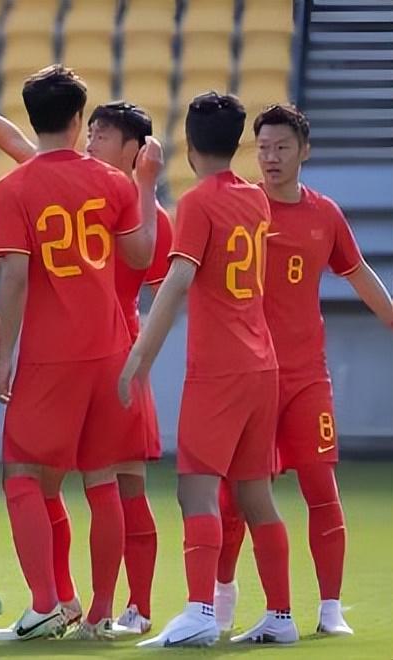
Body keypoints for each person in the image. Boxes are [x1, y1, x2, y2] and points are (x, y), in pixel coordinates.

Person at [0, 67, 171, 637]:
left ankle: (47, 601)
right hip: (113, 351)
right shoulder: (114, 184)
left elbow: (15, 277)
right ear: (77, 119)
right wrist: (145, 185)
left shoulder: (14, 188)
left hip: (52, 354)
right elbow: (141, 256)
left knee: (23, 473)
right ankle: (95, 609)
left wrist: (5, 351)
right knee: (103, 480)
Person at [119, 92, 298, 648]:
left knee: (195, 491)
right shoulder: (256, 199)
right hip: (262, 364)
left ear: (190, 147)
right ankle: (281, 615)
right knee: (254, 496)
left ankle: (199, 611)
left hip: (219, 369)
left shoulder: (198, 202)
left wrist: (139, 357)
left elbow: (178, 281)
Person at [214, 103, 393, 636]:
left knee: (321, 486)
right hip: (250, 376)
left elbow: (359, 273)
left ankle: (330, 610)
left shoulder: (325, 214)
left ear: (304, 151)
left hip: (306, 378)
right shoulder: (242, 208)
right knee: (234, 496)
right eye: (263, 148)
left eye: (282, 147)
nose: (270, 157)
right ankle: (220, 597)